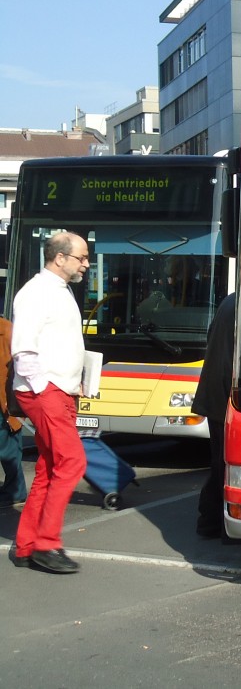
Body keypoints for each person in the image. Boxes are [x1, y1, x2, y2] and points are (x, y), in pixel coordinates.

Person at [11, 231, 90, 574]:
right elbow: (23, 348)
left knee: (49, 466)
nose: (86, 264)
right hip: (47, 392)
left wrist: (75, 381)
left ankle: (28, 544)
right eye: (81, 258)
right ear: (60, 258)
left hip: (56, 390)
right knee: (72, 463)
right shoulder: (38, 292)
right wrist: (47, 389)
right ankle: (46, 544)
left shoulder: (56, 290)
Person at [192, 292, 236, 539]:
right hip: (223, 397)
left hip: (214, 393)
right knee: (224, 463)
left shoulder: (230, 300)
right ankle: (215, 523)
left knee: (219, 461)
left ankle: (209, 520)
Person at [0, 315, 29, 509]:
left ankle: (15, 491)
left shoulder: (8, 330)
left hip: (5, 402)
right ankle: (14, 490)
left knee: (8, 449)